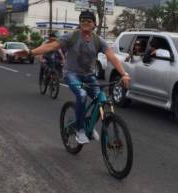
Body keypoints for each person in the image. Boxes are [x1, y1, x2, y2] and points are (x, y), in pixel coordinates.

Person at [15, 10, 130, 144]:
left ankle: (88, 125)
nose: (85, 23)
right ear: (80, 23)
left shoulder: (99, 41)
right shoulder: (71, 37)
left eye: (88, 21)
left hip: (89, 75)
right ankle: (80, 130)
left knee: (102, 99)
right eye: (82, 21)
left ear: (94, 24)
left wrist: (124, 74)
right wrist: (30, 52)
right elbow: (52, 46)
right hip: (72, 74)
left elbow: (112, 57)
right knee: (81, 95)